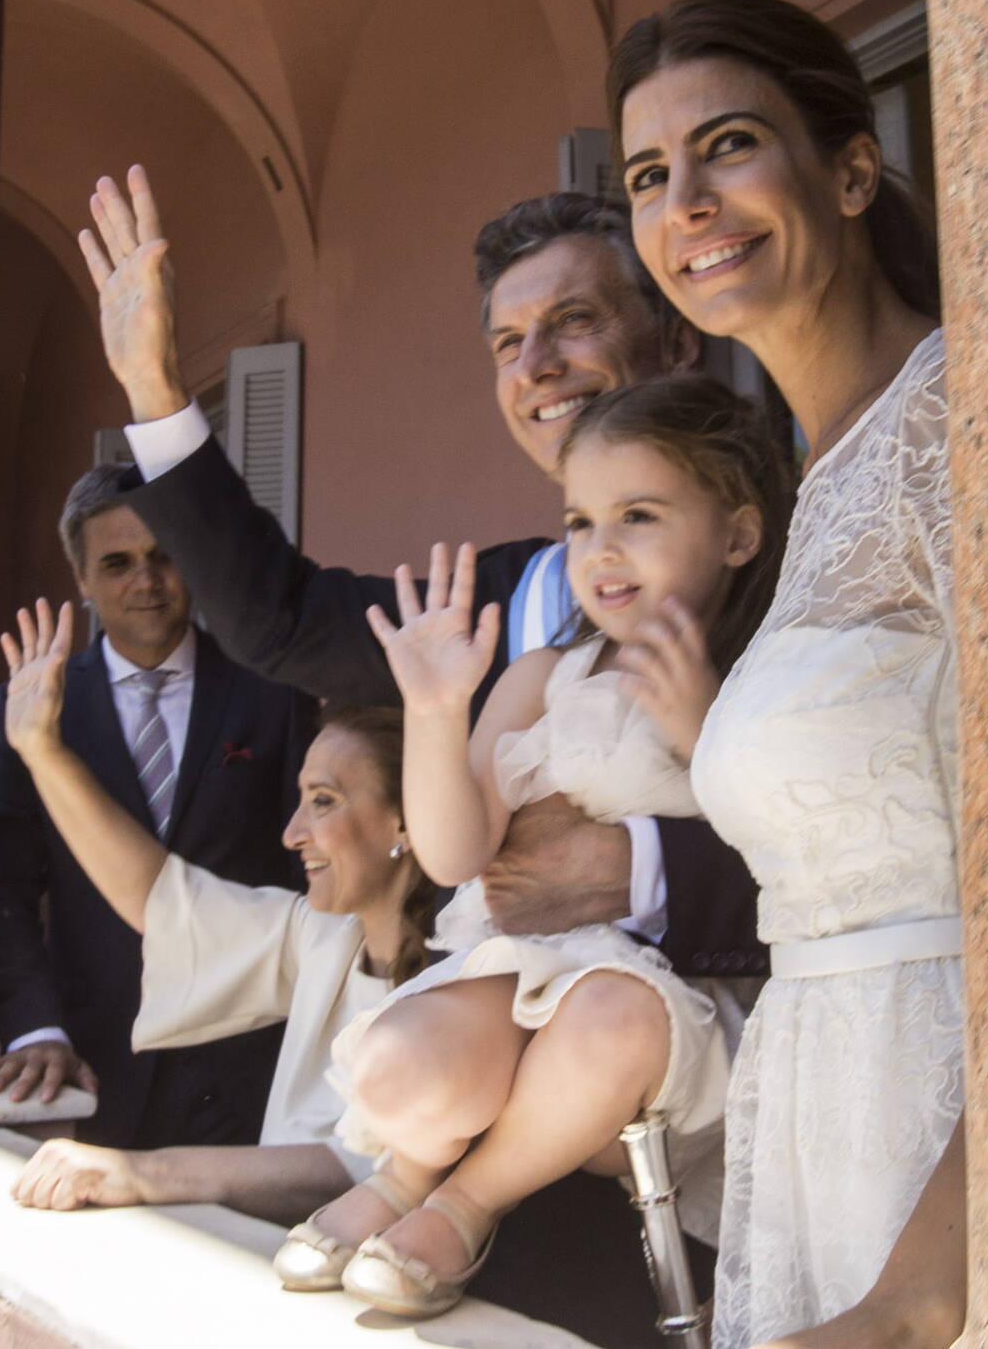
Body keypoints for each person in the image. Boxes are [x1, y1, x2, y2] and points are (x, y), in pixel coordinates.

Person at [80, 171, 764, 977]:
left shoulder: (777, 575)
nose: (536, 365)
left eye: (574, 320)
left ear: (677, 342)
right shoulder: (475, 614)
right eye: (508, 343)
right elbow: (278, 620)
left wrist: (641, 867)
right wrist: (155, 390)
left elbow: (867, 841)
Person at [609, 0, 966, 1349]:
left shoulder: (957, 423)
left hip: (955, 1153)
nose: (687, 202)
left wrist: (917, 1297)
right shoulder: (811, 481)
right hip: (825, 1115)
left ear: (852, 170)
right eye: (650, 177)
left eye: (731, 146)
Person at [297, 375, 793, 1320]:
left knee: (611, 1018)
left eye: (638, 515)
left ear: (737, 533)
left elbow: (779, 841)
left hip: (659, 1011)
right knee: (396, 1068)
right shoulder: (539, 676)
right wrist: (437, 715)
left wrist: (702, 732)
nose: (600, 550)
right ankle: (406, 1170)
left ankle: (462, 1203)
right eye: (578, 522)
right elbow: (452, 857)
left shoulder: (758, 675)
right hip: (521, 971)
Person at [0, 608, 426, 1235]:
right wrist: (41, 750)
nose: (292, 834)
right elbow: (161, 899)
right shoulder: (325, 935)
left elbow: (370, 1168)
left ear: (405, 820)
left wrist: (142, 1173)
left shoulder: (468, 969)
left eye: (323, 802)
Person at [0, 467, 314, 1150]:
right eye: (118, 563)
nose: (146, 583)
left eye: (165, 556)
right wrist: (36, 1027)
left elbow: (312, 872)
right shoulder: (34, 707)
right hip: (94, 1066)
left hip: (251, 1063)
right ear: (82, 577)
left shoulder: (273, 692)